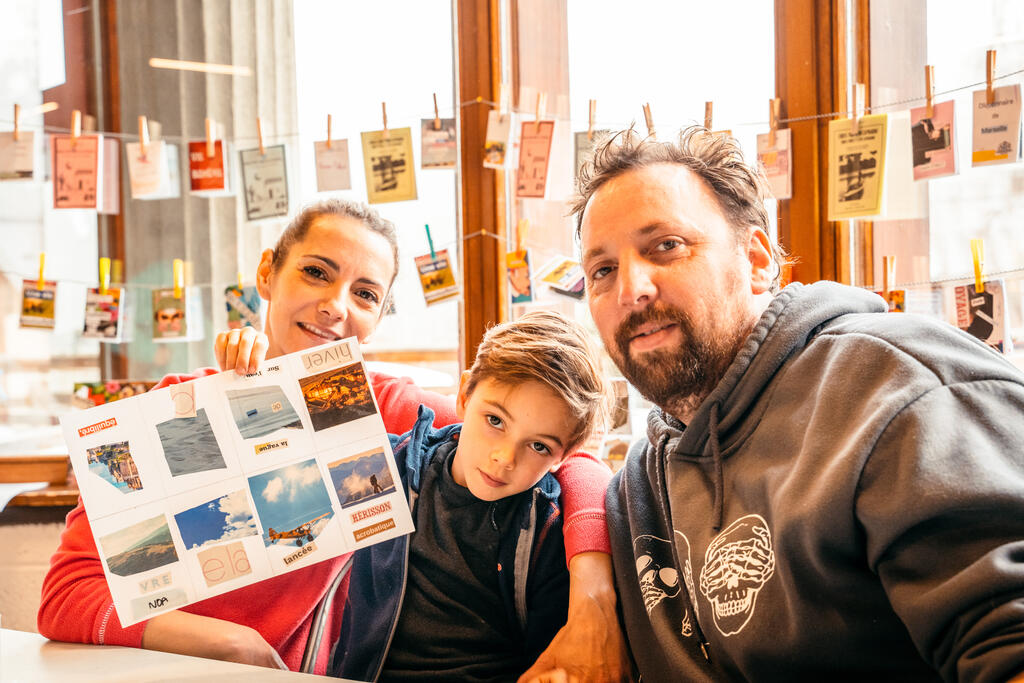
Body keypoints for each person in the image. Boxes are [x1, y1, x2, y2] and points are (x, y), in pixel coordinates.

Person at [39, 199, 629, 680]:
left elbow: (573, 456)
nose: (334, 306)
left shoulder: (388, 412)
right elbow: (65, 595)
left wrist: (593, 599)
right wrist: (224, 643)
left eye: (365, 293)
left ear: (377, 318)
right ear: (267, 274)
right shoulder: (181, 405)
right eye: (316, 271)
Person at [574, 126, 1024, 681]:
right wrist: (587, 590)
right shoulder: (640, 482)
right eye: (603, 270)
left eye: (666, 246)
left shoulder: (898, 388)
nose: (631, 289)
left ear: (759, 260)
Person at [336, 310, 608, 681]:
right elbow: (279, 482)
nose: (505, 459)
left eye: (539, 446)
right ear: (464, 396)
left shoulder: (547, 532)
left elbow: (551, 659)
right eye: (495, 421)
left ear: (565, 454)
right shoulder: (390, 469)